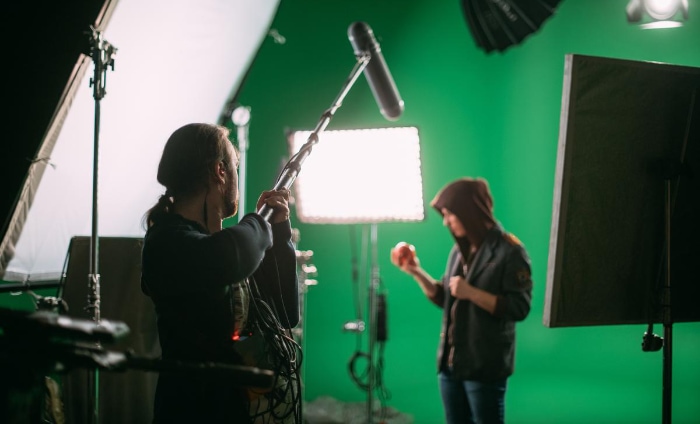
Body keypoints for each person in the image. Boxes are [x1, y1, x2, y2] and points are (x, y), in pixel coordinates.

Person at [140, 123, 301, 423]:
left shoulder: (225, 245)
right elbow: (225, 256)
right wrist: (258, 222)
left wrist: (279, 234)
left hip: (233, 410)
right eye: (235, 166)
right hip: (188, 413)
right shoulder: (165, 240)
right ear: (220, 171)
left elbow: (284, 314)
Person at [391, 177, 532, 424]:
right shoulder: (459, 250)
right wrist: (416, 271)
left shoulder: (510, 251)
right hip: (451, 365)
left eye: (449, 214)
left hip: (484, 366)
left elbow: (519, 308)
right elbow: (446, 297)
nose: (446, 221)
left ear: (468, 212)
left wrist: (471, 293)